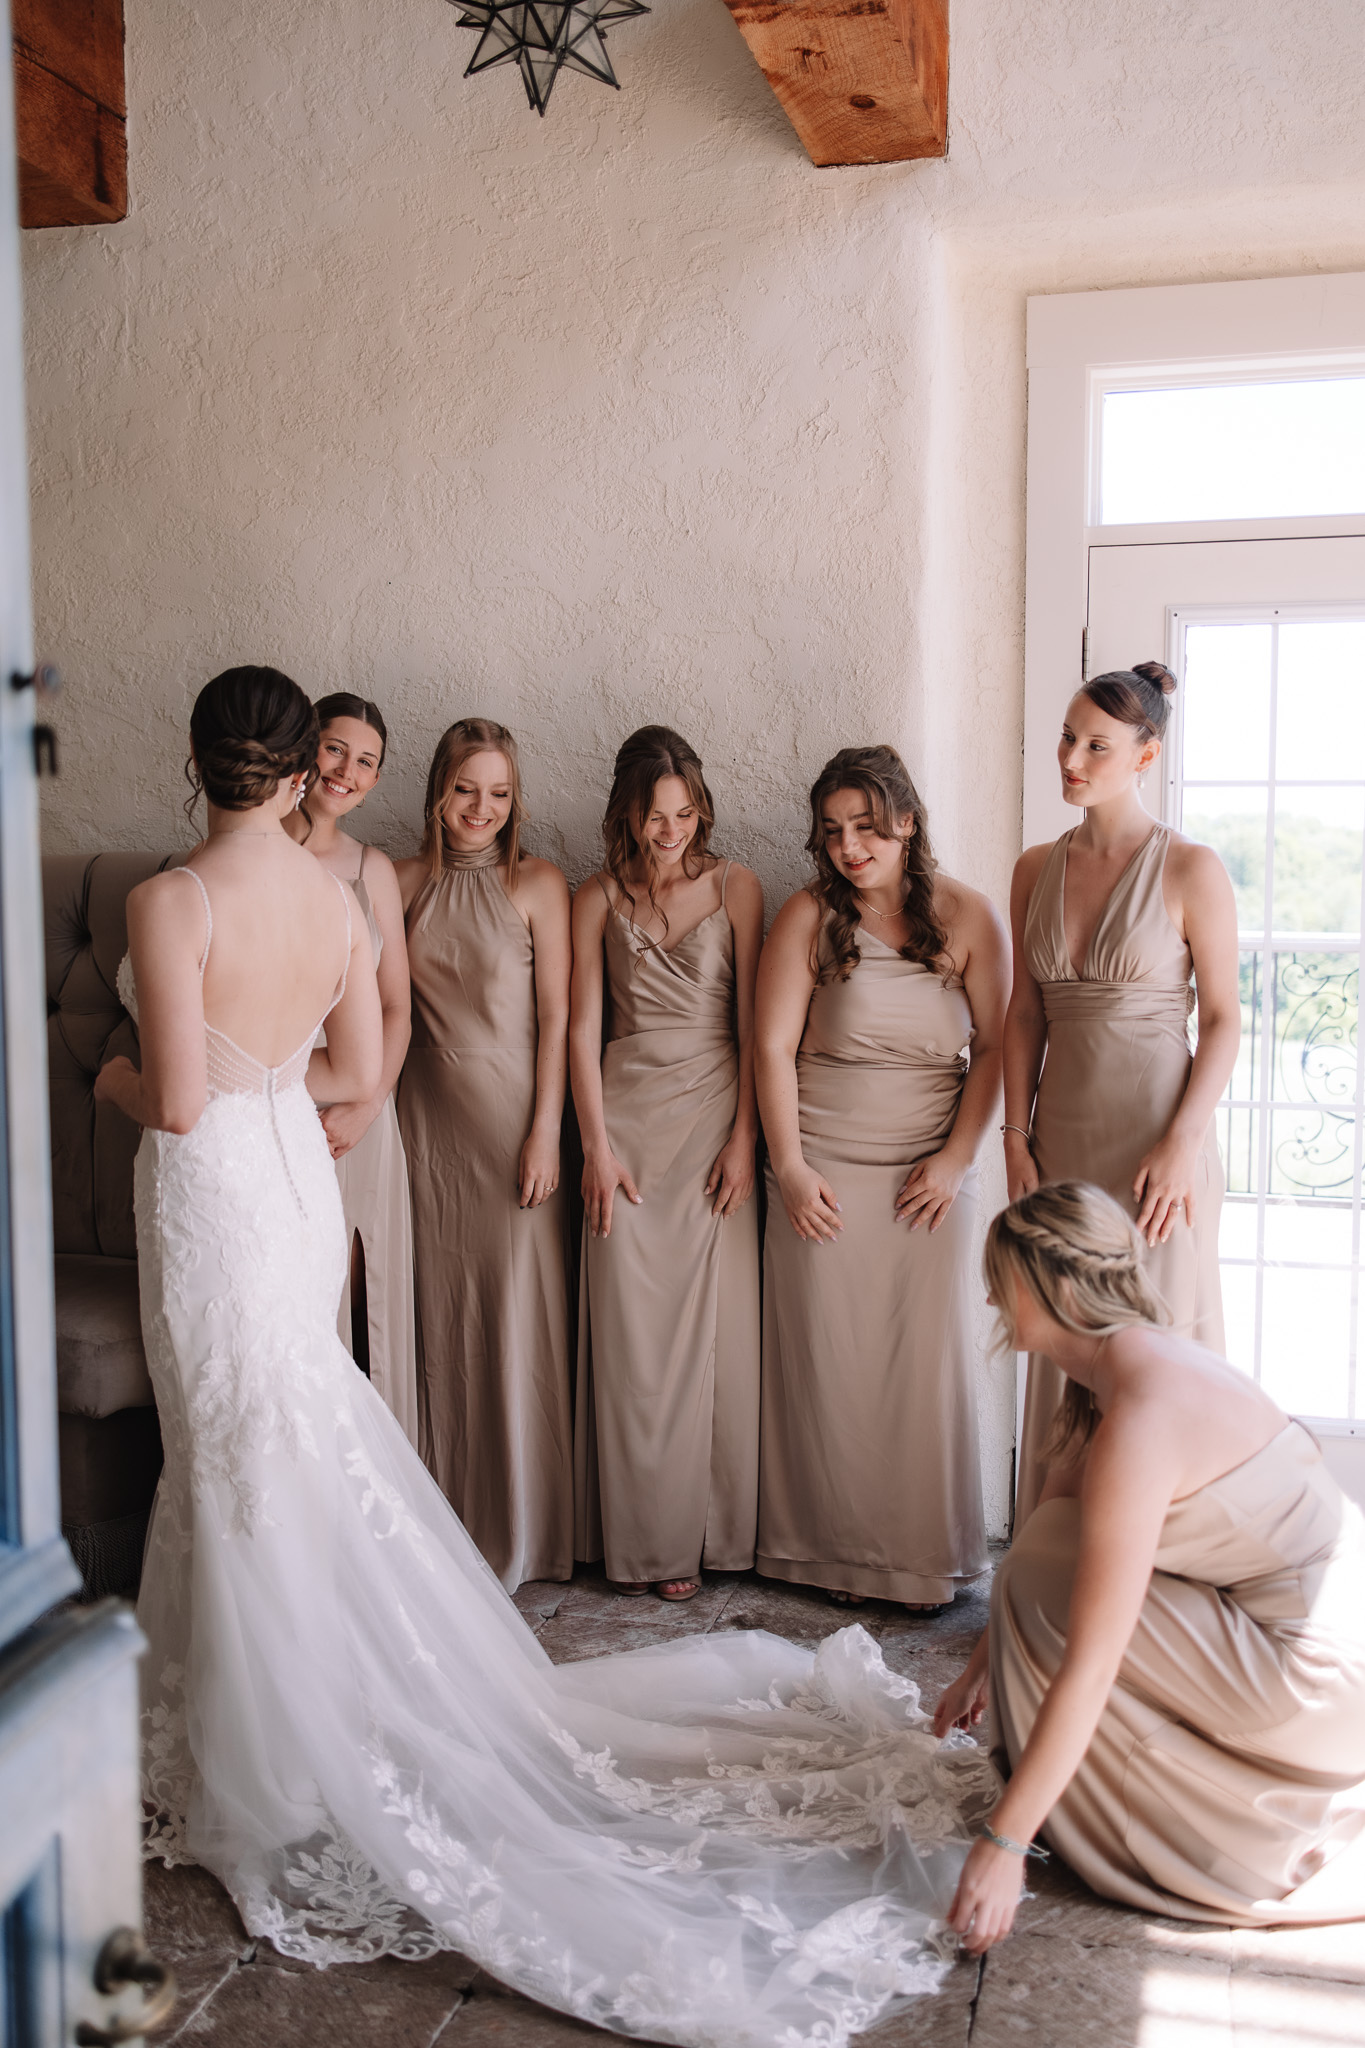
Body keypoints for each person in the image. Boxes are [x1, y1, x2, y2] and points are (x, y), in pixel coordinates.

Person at [99, 666, 999, 2048]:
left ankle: (265, 1737)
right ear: (294, 777)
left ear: (199, 760)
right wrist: (273, 1095)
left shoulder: (173, 901)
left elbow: (165, 1094)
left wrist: (106, 1076)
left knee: (228, 1439)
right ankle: (284, 1698)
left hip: (215, 1185)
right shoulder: (337, 899)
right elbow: (355, 1075)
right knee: (279, 1433)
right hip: (285, 1175)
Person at [935, 1180, 1365, 1953]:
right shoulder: (1123, 1364)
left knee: (1041, 1580)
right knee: (1039, 1557)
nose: (992, 1299)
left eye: (1001, 1280)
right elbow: (1048, 1524)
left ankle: (1193, 1821)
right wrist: (982, 1660)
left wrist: (1003, 1846)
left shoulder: (1142, 1415)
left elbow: (1091, 1662)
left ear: (1053, 1285)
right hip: (1319, 1643)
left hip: (1324, 1684)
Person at [755, 745, 1008, 1612]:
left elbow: (999, 1052)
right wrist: (787, 1166)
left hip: (929, 1172)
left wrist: (954, 1160)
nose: (849, 846)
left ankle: (918, 1561)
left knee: (921, 1364)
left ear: (906, 819)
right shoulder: (804, 918)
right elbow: (768, 1048)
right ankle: (817, 1552)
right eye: (831, 832)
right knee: (824, 1361)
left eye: (865, 825)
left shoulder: (971, 916)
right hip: (822, 1165)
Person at [1003, 661, 1240, 1527]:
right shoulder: (1034, 868)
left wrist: (1182, 1142)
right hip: (1060, 1144)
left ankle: (1170, 1574)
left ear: (1146, 755)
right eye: (1067, 737)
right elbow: (1022, 1012)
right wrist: (1012, 1134)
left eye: (1095, 745)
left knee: (1156, 1347)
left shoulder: (1189, 868)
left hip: (1155, 1146)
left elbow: (1221, 1021)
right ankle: (1059, 1567)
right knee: (1068, 1342)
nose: (1070, 759)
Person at [570, 727, 763, 1602]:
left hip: (714, 1120)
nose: (672, 830)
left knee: (713, 1336)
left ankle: (710, 1537)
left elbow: (760, 1028)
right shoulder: (592, 898)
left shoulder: (737, 888)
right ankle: (637, 1537)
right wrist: (594, 1146)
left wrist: (746, 1139)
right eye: (656, 815)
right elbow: (580, 1029)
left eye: (686, 813)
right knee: (631, 1338)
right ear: (627, 815)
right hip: (627, 1126)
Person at [395, 719, 574, 1589]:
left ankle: (529, 1533)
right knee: (433, 1319)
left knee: (513, 1314)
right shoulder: (396, 881)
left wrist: (546, 1130)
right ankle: (440, 1525)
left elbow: (560, 1020)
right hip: (422, 1123)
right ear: (437, 789)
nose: (482, 809)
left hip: (512, 1123)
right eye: (467, 789)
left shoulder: (537, 883)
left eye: (499, 793)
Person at [283, 690, 419, 1444]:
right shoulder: (255, 845)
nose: (347, 770)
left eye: (366, 761)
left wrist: (368, 1103)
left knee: (366, 1302)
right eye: (336, 748)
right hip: (271, 1103)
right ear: (305, 748)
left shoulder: (372, 870)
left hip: (363, 1111)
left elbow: (396, 1006)